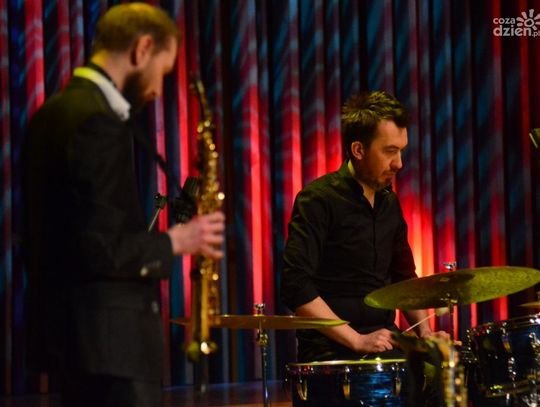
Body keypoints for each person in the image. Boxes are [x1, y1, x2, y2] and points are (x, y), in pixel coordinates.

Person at [22, 3, 225, 406]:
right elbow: (98, 246)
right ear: (142, 49)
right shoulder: (97, 121)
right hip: (112, 347)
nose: (157, 89)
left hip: (76, 341)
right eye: (161, 72)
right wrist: (178, 241)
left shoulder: (51, 114)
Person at [281, 90, 447, 363]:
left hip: (385, 341)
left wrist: (426, 333)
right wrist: (357, 340)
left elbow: (404, 278)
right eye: (390, 151)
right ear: (358, 150)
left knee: (451, 367)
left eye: (401, 151)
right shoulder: (318, 200)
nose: (399, 163)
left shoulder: (389, 203)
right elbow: (295, 286)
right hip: (331, 351)